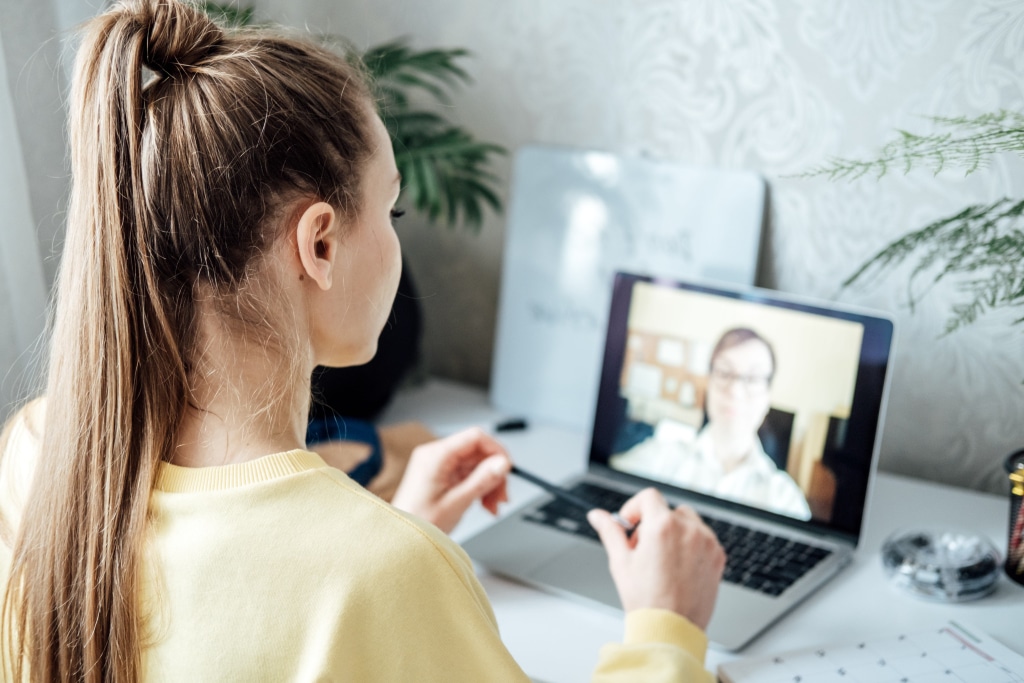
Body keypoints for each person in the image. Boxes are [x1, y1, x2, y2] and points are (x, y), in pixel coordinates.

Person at [0, 1, 726, 680]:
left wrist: (387, 530)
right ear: (319, 242)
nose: (398, 233)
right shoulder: (385, 575)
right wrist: (666, 626)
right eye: (394, 206)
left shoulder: (38, 453)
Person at [612, 328, 812, 520]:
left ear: (767, 397)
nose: (735, 390)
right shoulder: (657, 458)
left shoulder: (785, 499)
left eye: (752, 378)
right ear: (708, 382)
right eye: (724, 372)